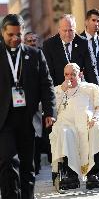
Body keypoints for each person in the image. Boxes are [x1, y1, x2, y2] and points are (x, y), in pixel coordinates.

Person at [0, 14, 56, 199]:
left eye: (18, 34)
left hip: (27, 117)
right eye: (10, 35)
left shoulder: (35, 54)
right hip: (4, 118)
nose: (15, 38)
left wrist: (49, 111)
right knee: (8, 161)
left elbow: (46, 84)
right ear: (2, 33)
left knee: (27, 165)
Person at [49, 63, 99, 185]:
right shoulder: (58, 90)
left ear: (80, 74)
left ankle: (95, 173)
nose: (70, 78)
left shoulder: (91, 88)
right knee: (65, 132)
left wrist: (97, 118)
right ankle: (71, 175)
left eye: (73, 74)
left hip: (88, 125)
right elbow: (51, 110)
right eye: (67, 75)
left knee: (98, 129)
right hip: (67, 126)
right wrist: (62, 91)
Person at [42, 14, 98, 86]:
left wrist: (96, 92)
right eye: (65, 30)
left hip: (79, 89)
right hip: (59, 89)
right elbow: (48, 73)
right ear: (59, 30)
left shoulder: (83, 43)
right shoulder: (49, 45)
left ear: (75, 29)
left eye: (71, 30)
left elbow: (91, 70)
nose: (68, 34)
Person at [24, 31, 43, 175]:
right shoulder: (22, 57)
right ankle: (32, 165)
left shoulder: (42, 55)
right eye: (29, 40)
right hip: (25, 101)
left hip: (40, 100)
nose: (32, 42)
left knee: (38, 133)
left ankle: (37, 165)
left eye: (34, 40)